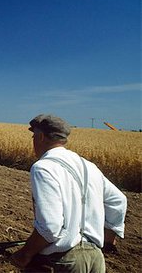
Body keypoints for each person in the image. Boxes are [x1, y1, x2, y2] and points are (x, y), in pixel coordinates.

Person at [10, 114, 127, 272]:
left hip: (63, 261)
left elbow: (50, 227)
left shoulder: (43, 167)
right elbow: (118, 200)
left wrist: (25, 254)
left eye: (33, 136)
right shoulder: (88, 166)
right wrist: (108, 240)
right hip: (96, 259)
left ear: (41, 136)